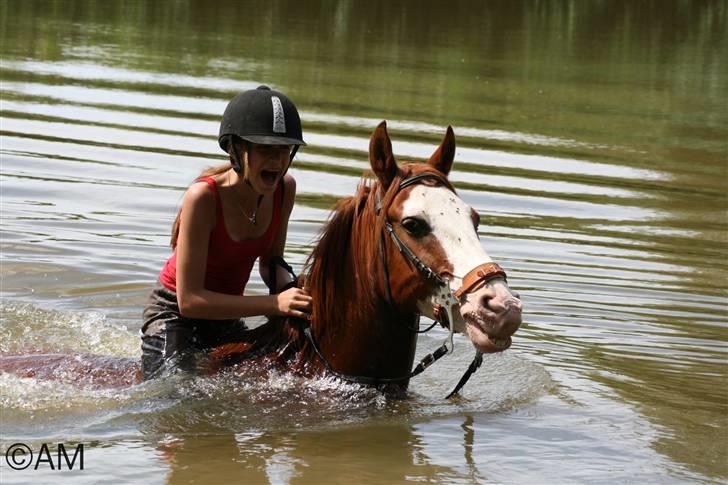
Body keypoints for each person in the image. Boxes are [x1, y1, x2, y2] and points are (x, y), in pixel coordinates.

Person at [141, 86, 313, 380]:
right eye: (265, 149)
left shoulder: (285, 188)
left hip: (225, 314)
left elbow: (272, 262)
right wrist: (274, 304)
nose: (277, 161)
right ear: (235, 149)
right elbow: (190, 300)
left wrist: (294, 292)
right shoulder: (203, 197)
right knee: (177, 392)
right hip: (174, 314)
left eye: (284, 150)